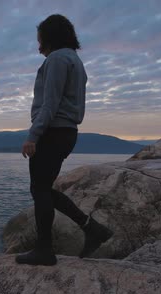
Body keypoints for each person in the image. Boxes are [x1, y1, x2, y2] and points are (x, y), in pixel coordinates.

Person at [16, 14, 114, 266]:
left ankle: (44, 250)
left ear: (50, 38)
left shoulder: (58, 59)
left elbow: (50, 104)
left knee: (39, 190)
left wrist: (32, 135)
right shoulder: (75, 61)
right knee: (44, 189)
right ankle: (92, 228)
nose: (39, 48)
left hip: (53, 131)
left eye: (40, 41)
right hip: (66, 132)